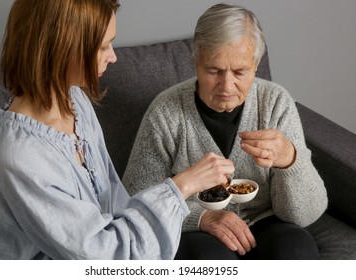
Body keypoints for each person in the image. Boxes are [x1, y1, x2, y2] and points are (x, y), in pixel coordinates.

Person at [0, 0, 235, 260]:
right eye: (102, 46)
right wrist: (183, 185)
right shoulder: (17, 156)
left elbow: (115, 204)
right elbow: (105, 255)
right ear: (62, 47)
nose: (113, 56)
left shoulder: (75, 101)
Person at [122, 3, 328, 260]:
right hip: (199, 231)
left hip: (269, 223)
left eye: (240, 72)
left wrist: (290, 161)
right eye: (214, 71)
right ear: (196, 62)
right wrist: (201, 217)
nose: (227, 86)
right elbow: (134, 200)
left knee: (297, 251)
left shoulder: (275, 103)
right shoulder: (165, 113)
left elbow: (305, 215)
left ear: (256, 65)